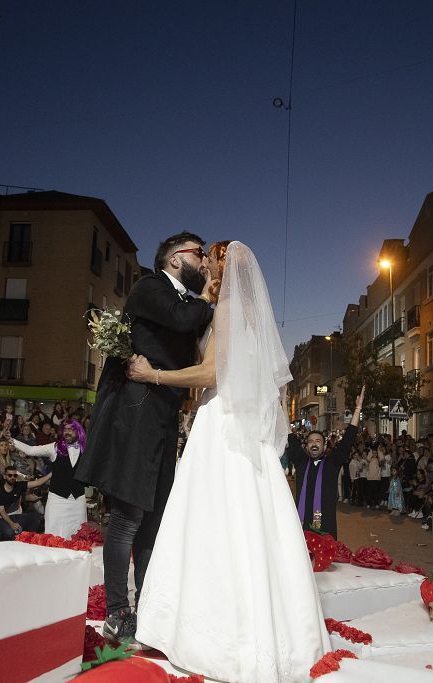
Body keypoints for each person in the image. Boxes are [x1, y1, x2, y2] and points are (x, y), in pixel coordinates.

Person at [127, 241, 330, 682]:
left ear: (223, 268)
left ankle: (206, 632)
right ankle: (271, 625)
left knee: (209, 519)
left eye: (209, 260)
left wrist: (152, 375)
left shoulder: (227, 312)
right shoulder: (252, 317)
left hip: (221, 422)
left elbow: (210, 374)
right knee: (254, 519)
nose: (203, 265)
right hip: (245, 430)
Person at [75, 231, 215, 643]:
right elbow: (185, 320)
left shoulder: (183, 298)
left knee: (152, 518)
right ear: (174, 259)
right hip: (136, 410)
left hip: (162, 414)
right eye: (198, 254)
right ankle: (118, 611)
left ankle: (148, 605)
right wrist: (207, 295)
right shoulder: (149, 287)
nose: (204, 261)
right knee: (128, 517)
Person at [8, 417, 88, 538]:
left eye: (71, 429)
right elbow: (31, 450)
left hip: (78, 500)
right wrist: (12, 440)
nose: (67, 432)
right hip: (57, 499)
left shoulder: (86, 449)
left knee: (78, 535)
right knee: (55, 535)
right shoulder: (55, 447)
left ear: (78, 431)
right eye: (65, 429)